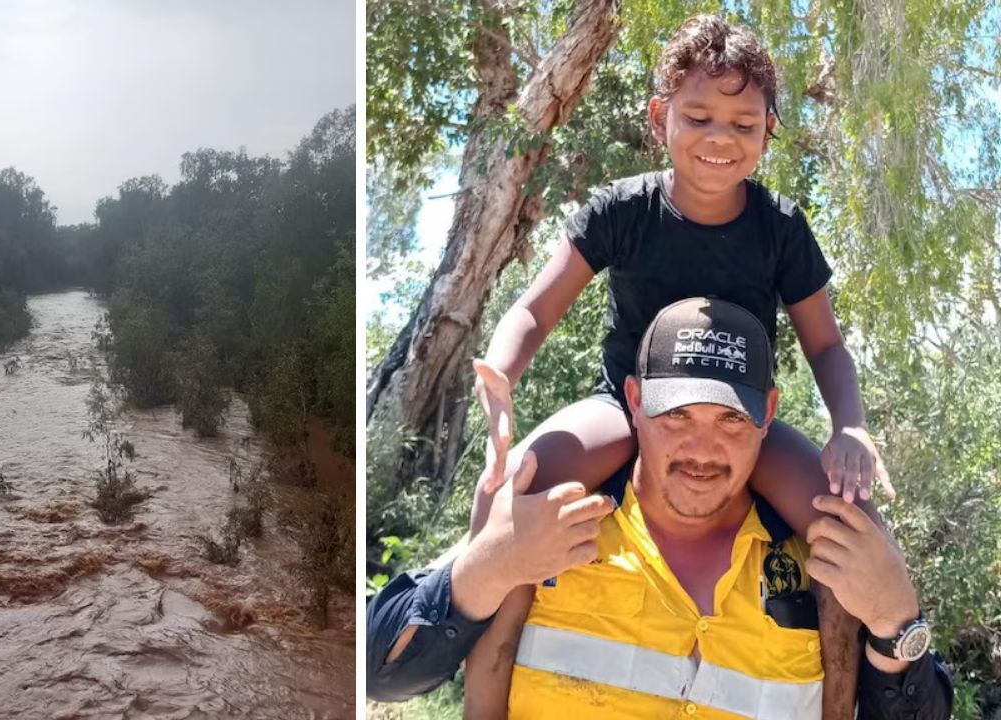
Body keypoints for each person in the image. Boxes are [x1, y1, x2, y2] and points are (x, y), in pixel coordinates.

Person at [468, 14, 892, 712]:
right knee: (514, 487)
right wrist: (501, 373)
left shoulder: (780, 227)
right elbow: (533, 311)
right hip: (623, 407)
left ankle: (848, 699)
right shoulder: (624, 209)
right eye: (698, 116)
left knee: (848, 521)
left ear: (768, 131)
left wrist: (851, 428)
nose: (720, 139)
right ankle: (464, 662)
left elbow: (826, 345)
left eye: (743, 123)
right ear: (661, 115)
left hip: (733, 422)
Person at [366, 298, 952, 720]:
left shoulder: (824, 559)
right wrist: (488, 569)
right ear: (635, 401)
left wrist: (895, 621)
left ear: (768, 414)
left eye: (730, 419)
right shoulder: (546, 526)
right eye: (676, 415)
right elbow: (378, 674)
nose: (702, 449)